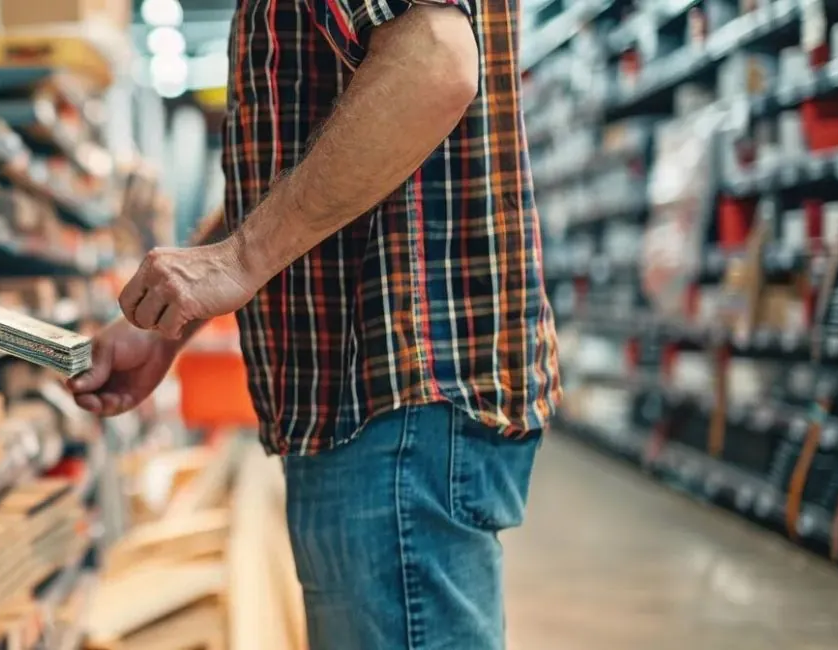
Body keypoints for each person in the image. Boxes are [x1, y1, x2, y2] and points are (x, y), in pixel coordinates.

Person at [67, 0, 560, 647]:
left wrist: (241, 258)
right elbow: (323, 148)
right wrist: (171, 320)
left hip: (396, 393)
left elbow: (436, 61)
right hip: (372, 398)